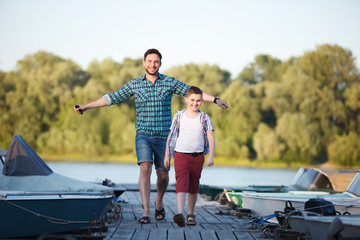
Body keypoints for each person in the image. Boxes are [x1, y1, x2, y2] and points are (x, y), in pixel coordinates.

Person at [74, 49, 227, 224]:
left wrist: (216, 99)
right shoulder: (135, 84)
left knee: (163, 175)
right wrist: (86, 106)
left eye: (156, 62)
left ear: (160, 64)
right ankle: (146, 211)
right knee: (145, 168)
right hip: (143, 135)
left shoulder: (169, 82)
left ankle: (159, 202)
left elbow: (193, 93)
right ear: (144, 62)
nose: (152, 64)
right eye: (149, 61)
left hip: (164, 136)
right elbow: (111, 98)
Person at [164, 86, 215, 227]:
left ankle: (190, 214)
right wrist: (167, 155)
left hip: (198, 157)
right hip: (181, 155)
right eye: (192, 100)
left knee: (193, 185)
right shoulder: (179, 116)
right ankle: (180, 213)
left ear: (202, 101)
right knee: (181, 183)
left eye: (198, 101)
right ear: (186, 99)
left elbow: (211, 137)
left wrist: (211, 156)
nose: (195, 103)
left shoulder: (204, 117)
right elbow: (171, 136)